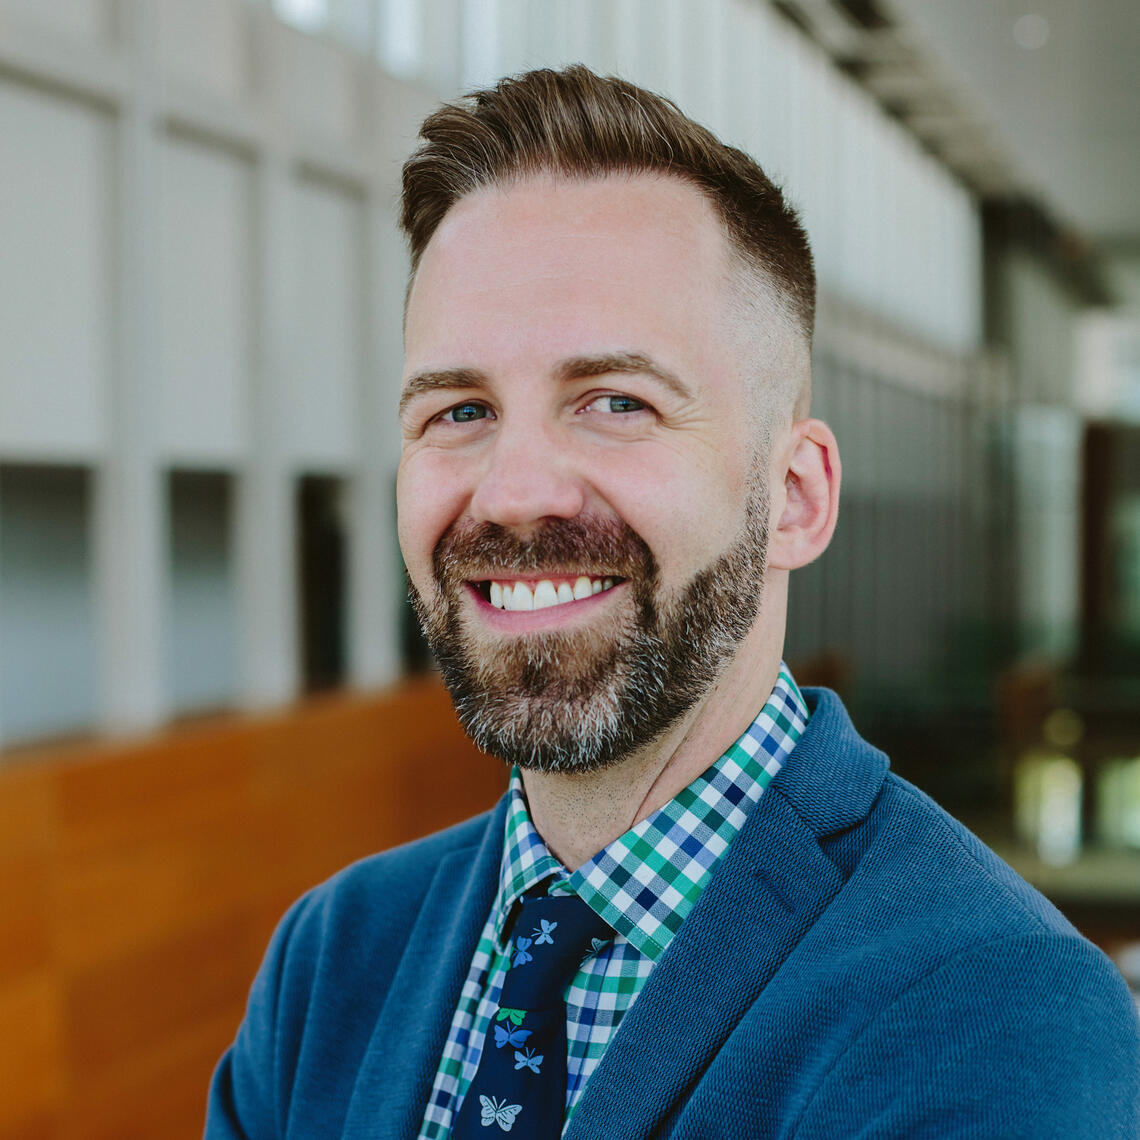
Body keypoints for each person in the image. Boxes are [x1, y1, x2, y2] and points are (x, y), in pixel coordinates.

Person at [205, 66, 1139, 1139]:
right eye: (459, 409)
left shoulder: (993, 1007)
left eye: (615, 401)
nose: (513, 493)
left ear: (794, 498)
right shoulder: (330, 965)